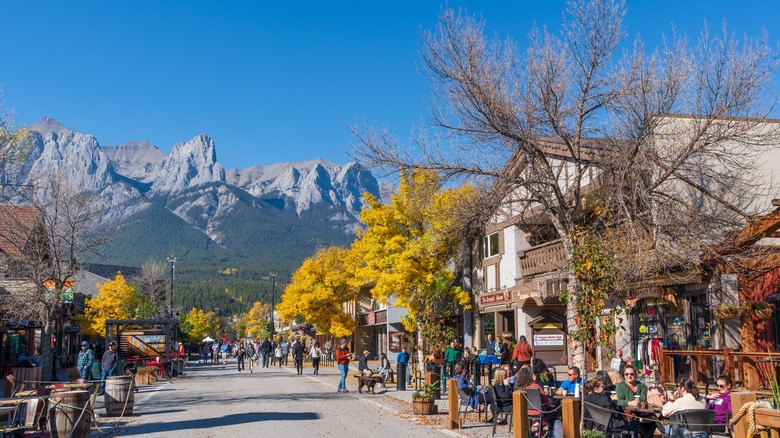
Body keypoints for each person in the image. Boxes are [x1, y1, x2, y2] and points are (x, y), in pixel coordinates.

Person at [616, 364, 651, 438]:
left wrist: (640, 402)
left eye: (632, 374)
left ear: (635, 374)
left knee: (653, 422)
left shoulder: (642, 386)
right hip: (627, 414)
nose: (629, 376)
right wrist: (629, 402)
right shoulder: (620, 386)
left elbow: (644, 399)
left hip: (642, 413)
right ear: (624, 375)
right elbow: (618, 401)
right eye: (626, 374)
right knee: (633, 423)